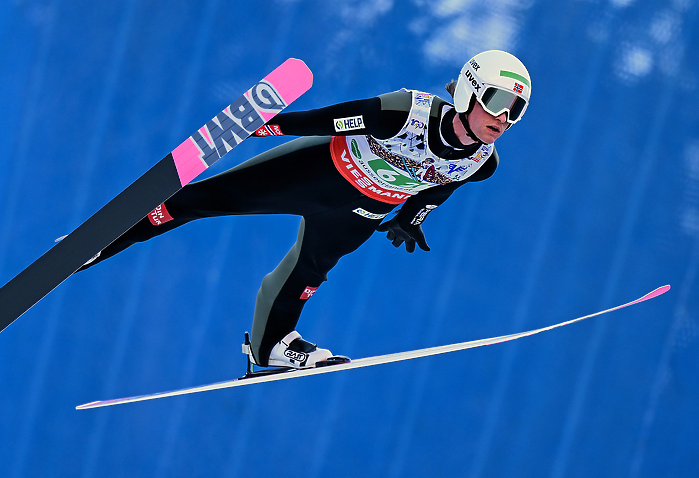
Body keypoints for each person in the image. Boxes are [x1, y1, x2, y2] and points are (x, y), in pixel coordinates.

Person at [81, 50, 532, 369]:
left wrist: (411, 220)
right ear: (470, 93)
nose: (505, 119)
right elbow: (329, 118)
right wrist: (263, 127)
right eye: (498, 103)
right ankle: (99, 243)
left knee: (308, 274)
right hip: (319, 171)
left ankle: (271, 345)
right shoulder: (405, 112)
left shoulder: (481, 162)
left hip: (363, 210)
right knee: (198, 201)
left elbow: (440, 187)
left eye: (517, 110)